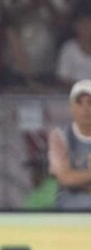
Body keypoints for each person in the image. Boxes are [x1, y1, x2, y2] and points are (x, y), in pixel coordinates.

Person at [48, 79, 91, 209]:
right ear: (71, 107)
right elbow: (65, 178)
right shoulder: (60, 136)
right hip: (69, 211)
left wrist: (79, 179)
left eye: (90, 102)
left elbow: (71, 178)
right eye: (79, 103)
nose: (86, 108)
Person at [57, 1, 91, 85]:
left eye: (89, 24)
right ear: (76, 26)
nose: (86, 27)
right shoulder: (68, 48)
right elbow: (62, 78)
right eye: (83, 24)